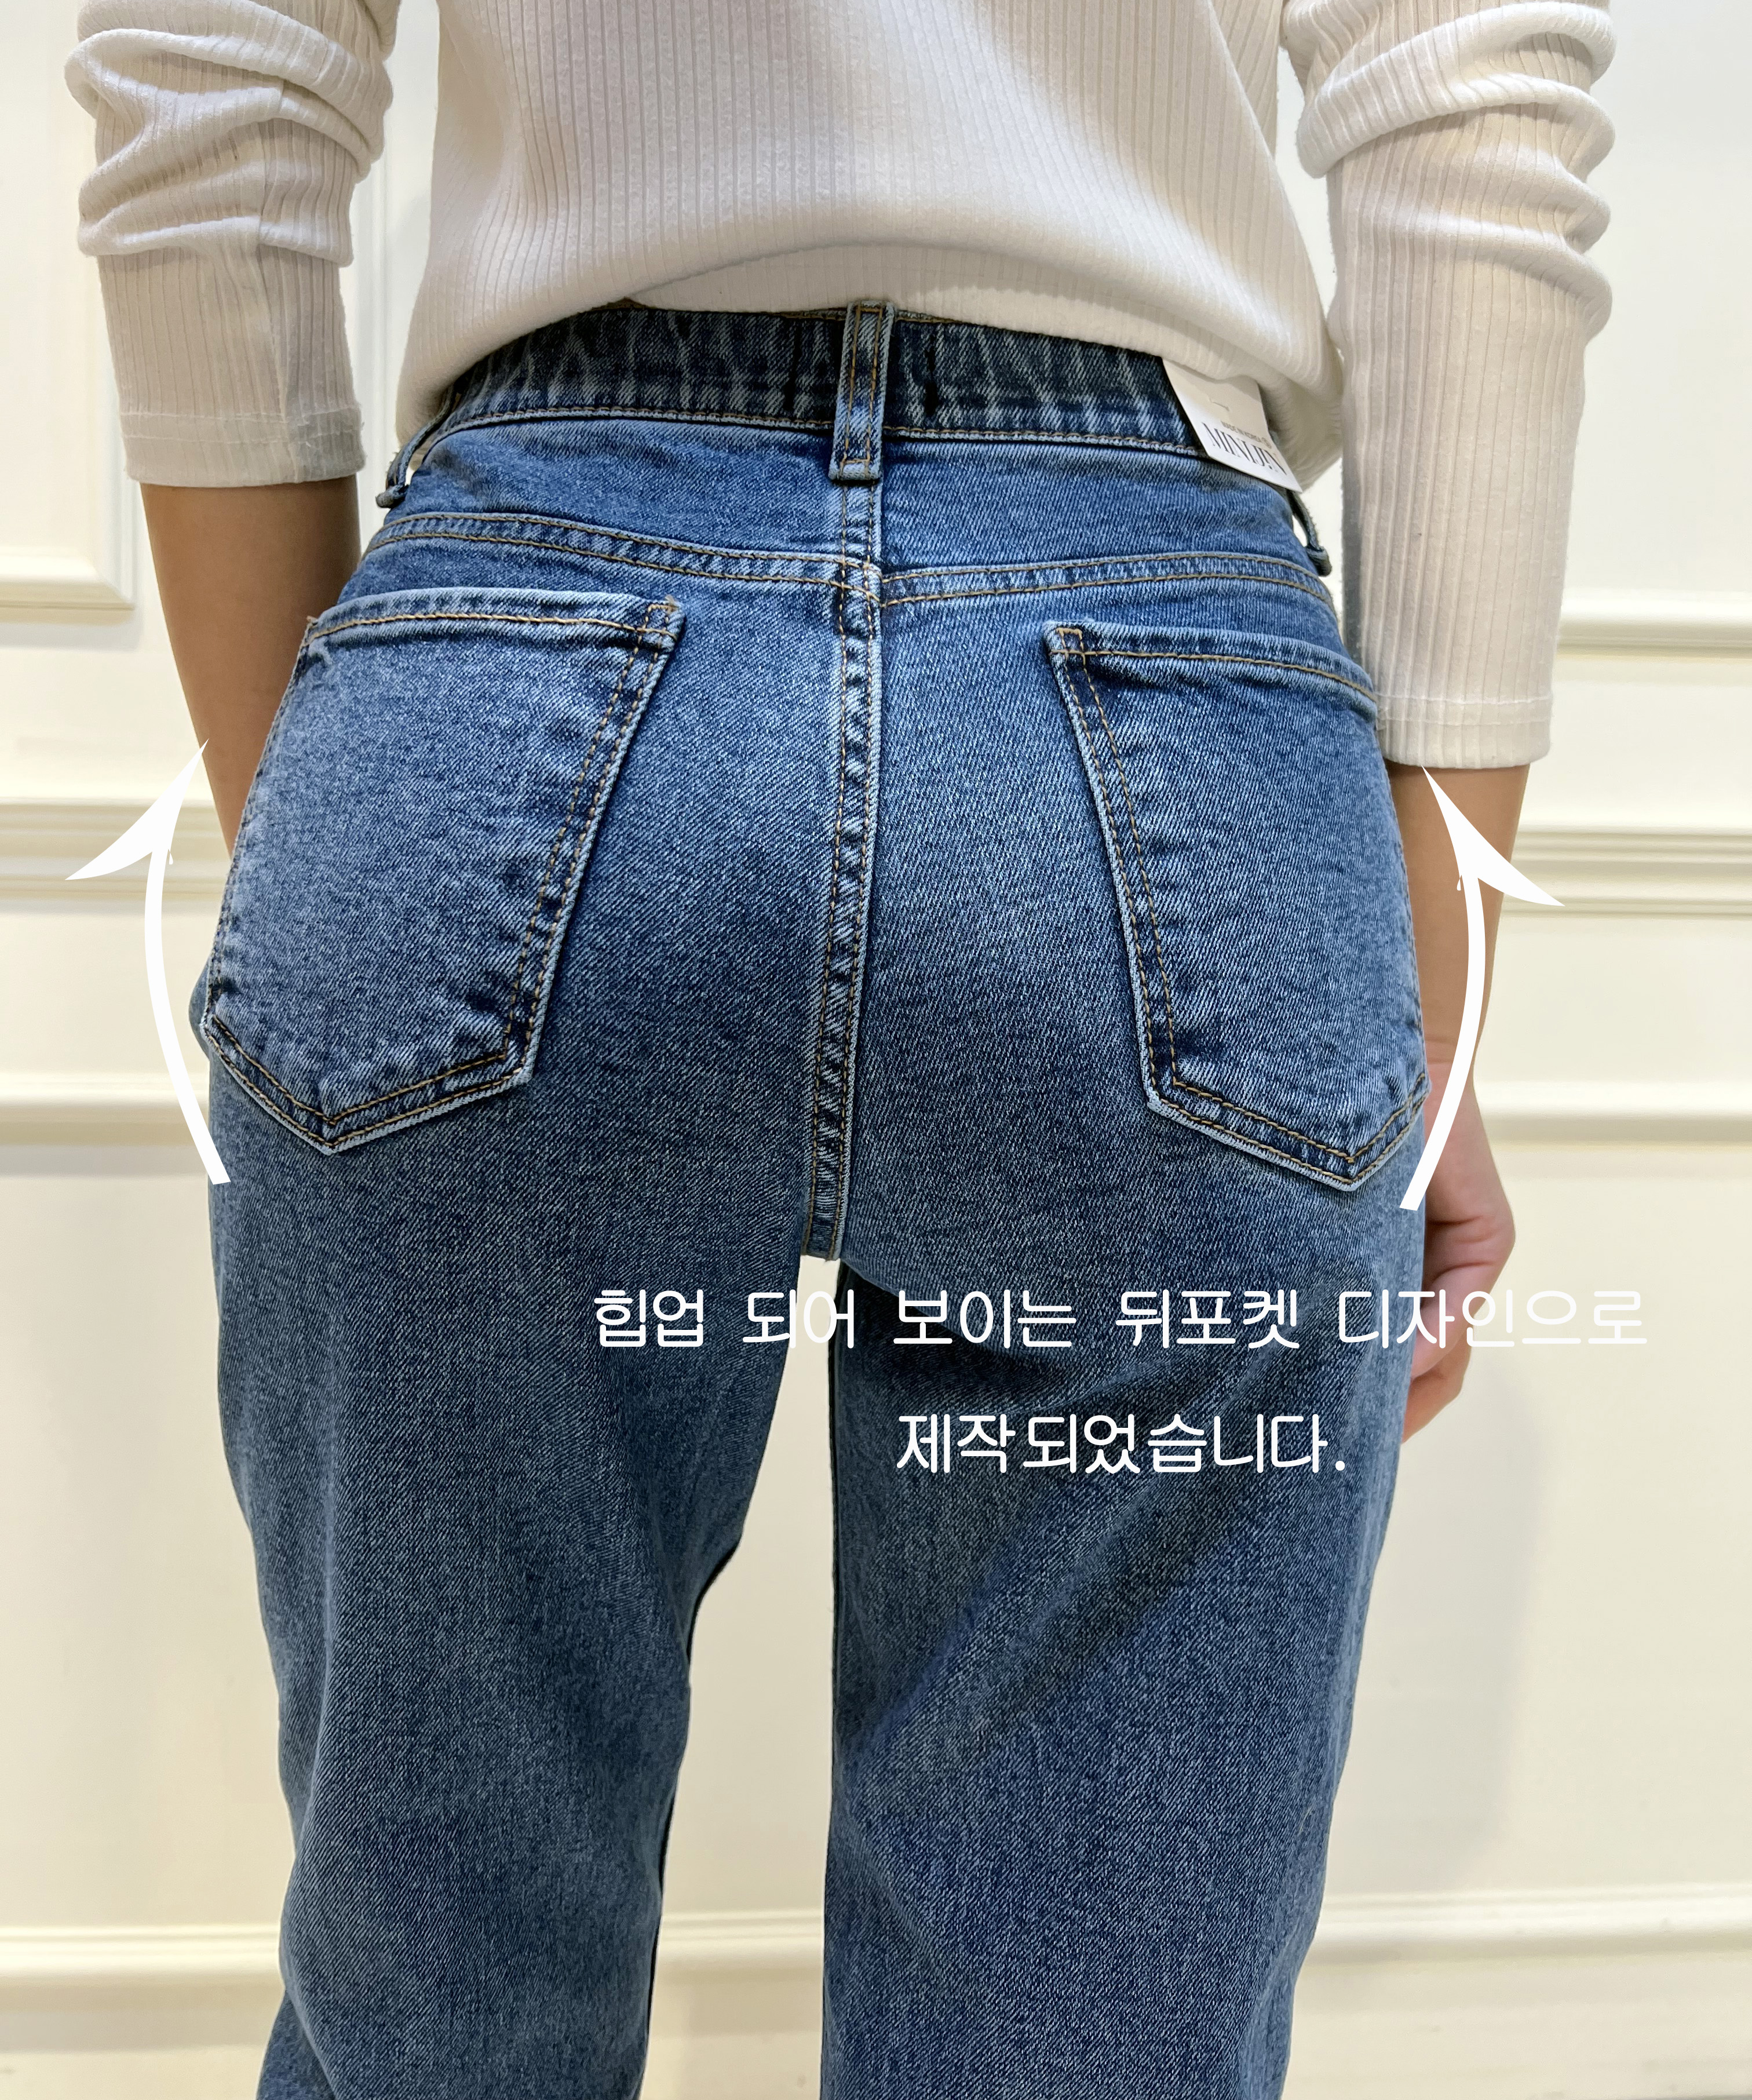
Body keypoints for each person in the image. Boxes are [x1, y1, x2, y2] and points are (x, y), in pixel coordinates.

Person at [66, 3, 1616, 2095]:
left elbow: (209, 74)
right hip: (1166, 694)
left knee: (429, 2019)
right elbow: (1473, 112)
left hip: (508, 636)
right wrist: (1432, 1007)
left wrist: (354, 844)